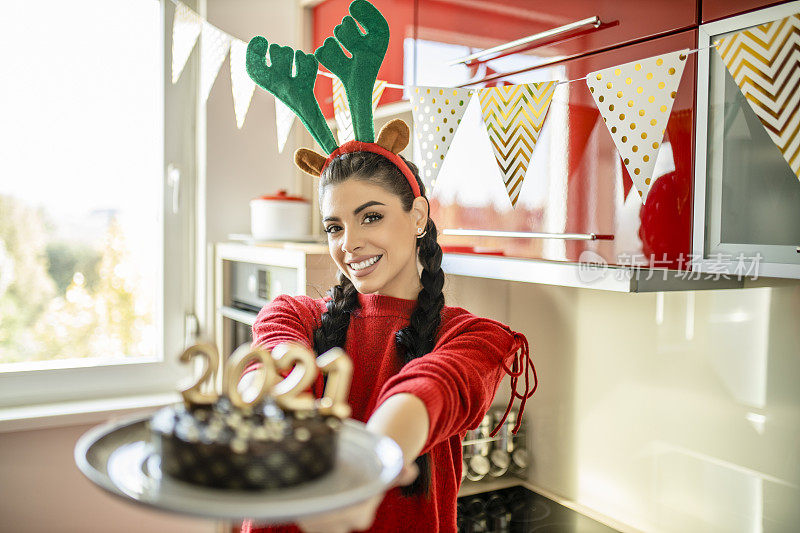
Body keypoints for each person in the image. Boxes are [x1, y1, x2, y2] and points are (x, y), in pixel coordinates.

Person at [239, 124, 536, 533]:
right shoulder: (292, 314)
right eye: (334, 227)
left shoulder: (474, 338)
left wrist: (361, 474)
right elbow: (273, 373)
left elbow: (426, 390)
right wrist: (253, 412)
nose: (349, 243)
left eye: (371, 217)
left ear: (416, 216)